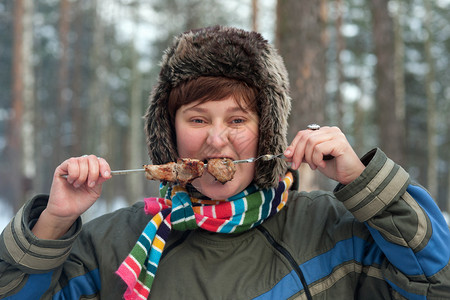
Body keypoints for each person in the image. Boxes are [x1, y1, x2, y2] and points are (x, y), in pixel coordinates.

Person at [1, 26, 449, 300]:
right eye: (198, 118)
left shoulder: (334, 231)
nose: (217, 141)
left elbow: (438, 283)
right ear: (168, 132)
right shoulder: (112, 244)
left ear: (268, 132)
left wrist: (363, 182)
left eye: (237, 119)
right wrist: (53, 224)